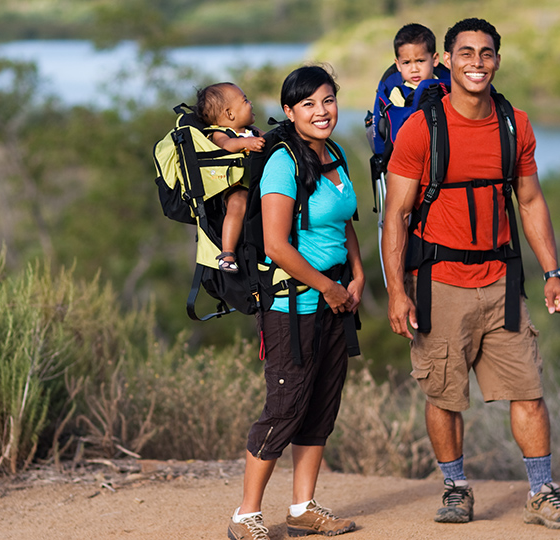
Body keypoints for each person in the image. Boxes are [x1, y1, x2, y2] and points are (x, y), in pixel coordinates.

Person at [381, 18, 560, 530]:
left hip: (502, 281)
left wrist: (552, 273)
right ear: (446, 61)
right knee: (444, 396)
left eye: (487, 53)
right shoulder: (419, 128)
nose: (477, 62)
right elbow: (396, 215)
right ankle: (455, 488)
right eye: (466, 53)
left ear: (497, 60)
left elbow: (531, 200)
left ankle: (542, 492)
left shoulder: (515, 124)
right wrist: (397, 292)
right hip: (439, 283)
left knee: (529, 392)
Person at [227, 65, 364, 540]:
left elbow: (344, 220)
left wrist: (358, 272)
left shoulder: (335, 154)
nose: (321, 112)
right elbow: (276, 246)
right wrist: (327, 288)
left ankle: (302, 508)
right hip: (293, 306)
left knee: (321, 406)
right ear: (289, 111)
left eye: (327, 100)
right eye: (308, 104)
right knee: (285, 407)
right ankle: (246, 516)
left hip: (336, 299)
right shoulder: (284, 162)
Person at [193, 82, 266, 273]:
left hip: (258, 183)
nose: (250, 103)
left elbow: (270, 138)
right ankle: (227, 254)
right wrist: (246, 143)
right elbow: (227, 145)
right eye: (245, 100)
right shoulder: (219, 133)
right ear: (230, 114)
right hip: (234, 185)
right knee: (237, 204)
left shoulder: (251, 129)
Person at [387, 23, 441, 107]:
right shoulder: (399, 94)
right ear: (398, 65)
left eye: (420, 61)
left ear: (435, 60)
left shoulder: (445, 88)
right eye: (406, 63)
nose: (414, 69)